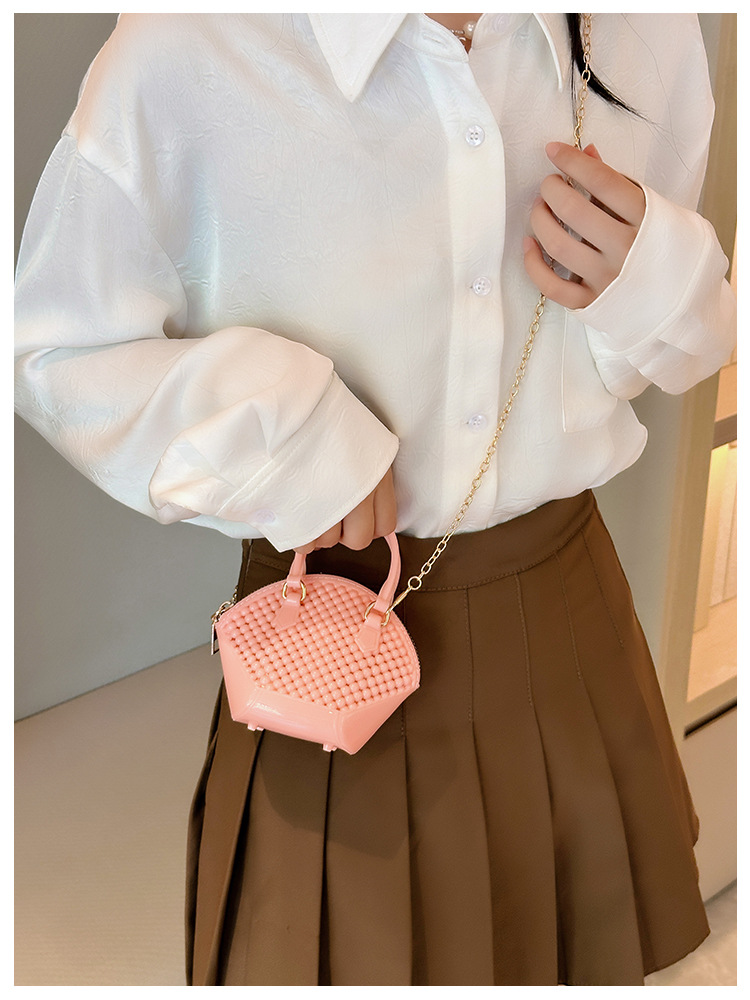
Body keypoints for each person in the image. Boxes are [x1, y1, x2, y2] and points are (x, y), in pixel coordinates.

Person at [14, 13, 735, 987]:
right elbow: (56, 349)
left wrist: (655, 279)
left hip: (571, 625)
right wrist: (283, 430)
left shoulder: (647, 27)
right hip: (323, 648)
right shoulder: (190, 44)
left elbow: (665, 351)